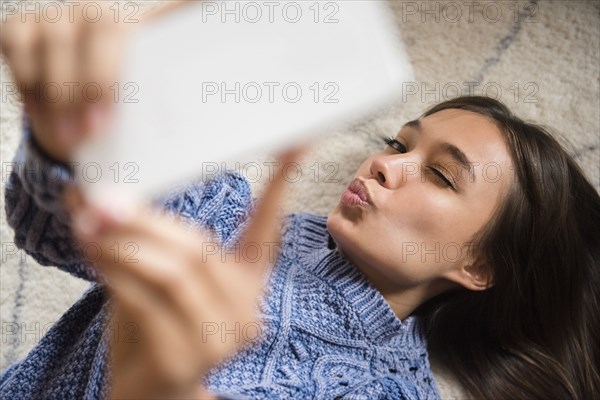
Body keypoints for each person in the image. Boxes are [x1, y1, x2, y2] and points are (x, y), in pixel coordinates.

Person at [1, 3, 599, 399]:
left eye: (441, 176)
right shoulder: (228, 211)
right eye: (399, 143)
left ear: (478, 266)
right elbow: (48, 230)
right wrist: (67, 143)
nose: (386, 164)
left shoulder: (387, 393)